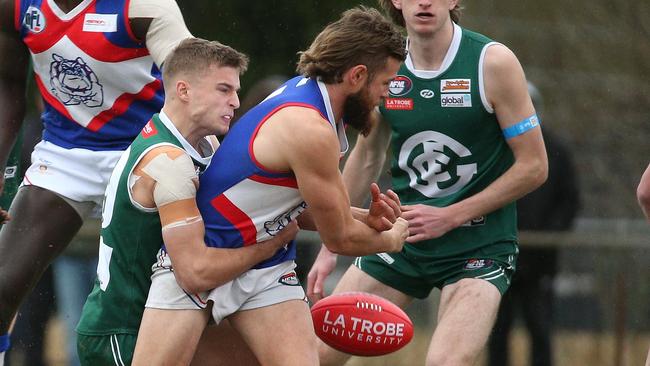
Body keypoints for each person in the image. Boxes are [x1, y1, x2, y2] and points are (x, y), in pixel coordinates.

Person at [131, 7, 409, 366]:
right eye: (384, 84)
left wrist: (362, 217)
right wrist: (392, 239)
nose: (386, 97)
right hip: (206, 259)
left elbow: (289, 204)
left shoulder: (313, 101)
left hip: (267, 268)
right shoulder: (308, 127)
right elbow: (338, 238)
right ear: (356, 76)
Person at [307, 1, 549, 366]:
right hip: (403, 240)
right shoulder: (388, 67)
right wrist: (332, 241)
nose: (424, 2)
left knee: (445, 362)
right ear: (396, 2)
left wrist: (451, 215)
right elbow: (368, 155)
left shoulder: (492, 63)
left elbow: (534, 165)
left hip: (478, 247)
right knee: (316, 353)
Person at [75, 38, 300, 366]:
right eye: (224, 90)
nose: (235, 102)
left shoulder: (204, 143)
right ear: (183, 91)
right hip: (124, 330)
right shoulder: (168, 162)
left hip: (165, 319)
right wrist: (271, 246)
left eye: (236, 91)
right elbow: (194, 273)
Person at [0, 0, 193, 364]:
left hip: (145, 150)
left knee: (175, 294)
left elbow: (195, 81)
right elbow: (8, 81)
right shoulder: (15, 7)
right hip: (66, 154)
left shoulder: (143, 7)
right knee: (2, 284)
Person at [487, 82, 580, 366]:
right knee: (497, 330)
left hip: (540, 261)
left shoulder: (556, 150)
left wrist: (545, 239)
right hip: (499, 256)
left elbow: (569, 201)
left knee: (540, 329)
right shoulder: (495, 149)